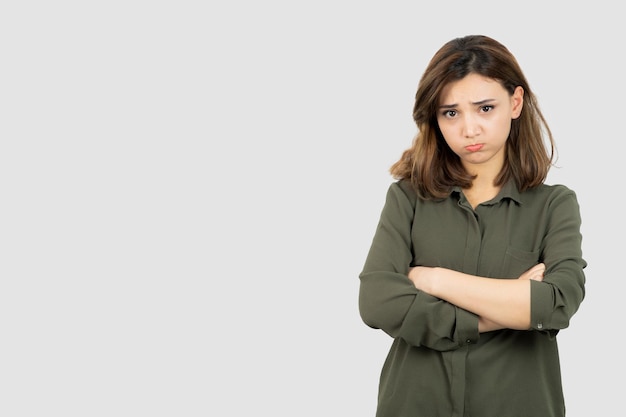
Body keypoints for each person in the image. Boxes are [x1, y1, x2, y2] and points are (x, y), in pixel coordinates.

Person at [358, 34, 586, 417]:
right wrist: (508, 306)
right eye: (451, 113)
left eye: (484, 108)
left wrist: (433, 280)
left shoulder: (554, 205)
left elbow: (557, 303)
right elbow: (377, 301)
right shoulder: (407, 199)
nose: (469, 129)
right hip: (414, 404)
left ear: (515, 103)